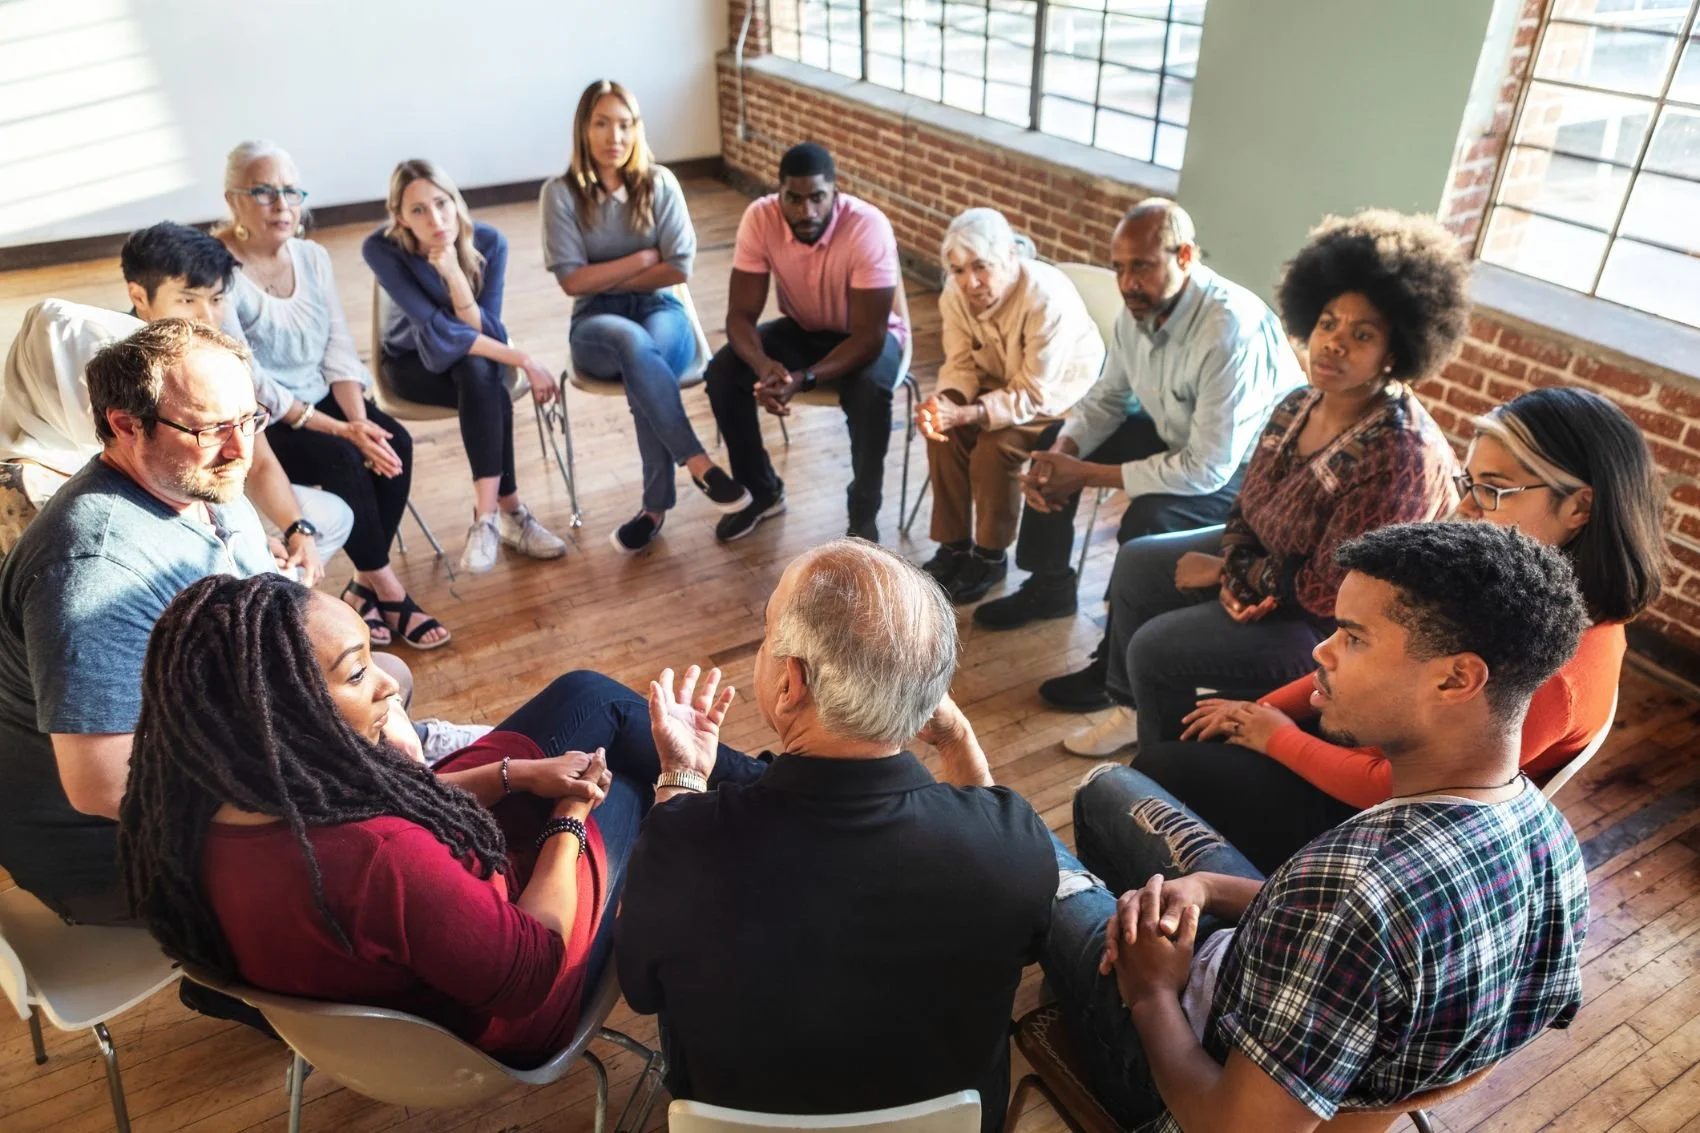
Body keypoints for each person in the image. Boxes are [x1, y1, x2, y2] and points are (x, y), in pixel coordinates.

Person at [1043, 522, 1590, 1131]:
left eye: (1353, 638)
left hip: (1191, 1073)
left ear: (1455, 678)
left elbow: (1234, 1128)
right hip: (1325, 1032)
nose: (1321, 651)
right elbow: (1349, 939)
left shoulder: (1350, 887)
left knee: (1029, 854)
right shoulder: (1553, 840)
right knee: (1108, 788)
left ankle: (1092, 1021)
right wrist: (1210, 886)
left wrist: (1150, 993)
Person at [617, 539, 1055, 1130]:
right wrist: (958, 740)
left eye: (767, 632)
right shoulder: (1011, 845)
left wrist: (682, 779)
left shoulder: (686, 843)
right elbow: (994, 826)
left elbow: (641, 989)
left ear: (790, 683)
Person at [119, 573, 635, 1068]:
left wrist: (513, 775)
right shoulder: (380, 860)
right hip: (503, 1020)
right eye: (358, 672)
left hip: (405, 990)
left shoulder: (202, 813)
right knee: (628, 771)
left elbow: (393, 806)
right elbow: (533, 972)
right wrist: (572, 814)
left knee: (584, 697)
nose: (391, 683)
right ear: (279, 714)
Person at [1138, 386, 1665, 871]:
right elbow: (1348, 653)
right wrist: (1268, 710)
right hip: (1362, 735)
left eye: (1494, 491)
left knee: (1160, 771)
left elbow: (1397, 789)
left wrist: (1274, 737)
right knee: (1191, 729)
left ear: (1579, 506)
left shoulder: (1556, 675)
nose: (1465, 507)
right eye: (1469, 483)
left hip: (1374, 820)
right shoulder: (1505, 582)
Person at [1062, 209, 1466, 758]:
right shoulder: (1299, 402)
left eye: (1361, 334)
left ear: (1396, 352)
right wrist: (1236, 566)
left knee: (1159, 647)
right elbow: (1247, 505)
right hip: (1269, 570)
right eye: (1327, 324)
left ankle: (1164, 768)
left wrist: (1229, 573)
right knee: (1140, 560)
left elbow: (1333, 591)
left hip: (1337, 630)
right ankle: (1136, 711)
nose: (1334, 344)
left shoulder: (1400, 454)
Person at [0, 320, 276, 923]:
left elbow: (273, 616)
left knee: (384, 680)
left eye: (249, 419)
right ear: (125, 424)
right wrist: (299, 785)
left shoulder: (197, 479)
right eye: (209, 429)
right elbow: (101, 785)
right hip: (122, 853)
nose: (239, 448)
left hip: (212, 745)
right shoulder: (91, 569)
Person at [972, 199, 1304, 636]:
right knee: (1055, 442)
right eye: (1119, 268)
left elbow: (1208, 470)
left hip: (1250, 474)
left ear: (1184, 256)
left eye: (1142, 266)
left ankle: (1117, 657)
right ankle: (1049, 585)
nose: (1127, 283)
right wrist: (1062, 454)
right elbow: (1108, 399)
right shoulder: (1140, 306)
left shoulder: (1228, 332)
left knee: (1150, 519)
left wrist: (1084, 474)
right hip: (1181, 439)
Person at [0, 222, 354, 581]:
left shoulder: (204, 357)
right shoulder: (36, 490)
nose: (207, 316)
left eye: (217, 299)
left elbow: (249, 465)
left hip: (208, 505)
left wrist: (270, 537)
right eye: (187, 300)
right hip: (182, 550)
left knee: (330, 519)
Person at [217, 140, 448, 650]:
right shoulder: (218, 269)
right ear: (234, 200)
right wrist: (345, 431)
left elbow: (338, 347)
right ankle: (389, 590)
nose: (282, 205)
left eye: (290, 191)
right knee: (346, 459)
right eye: (264, 192)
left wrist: (358, 418)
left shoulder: (312, 256)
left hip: (321, 396)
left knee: (394, 444)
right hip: (266, 416)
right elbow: (250, 377)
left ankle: (364, 586)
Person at [542, 79, 747, 553]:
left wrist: (604, 274)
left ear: (637, 130)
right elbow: (573, 283)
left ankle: (653, 511)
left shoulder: (660, 183)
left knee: (644, 357)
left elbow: (680, 267)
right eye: (602, 123)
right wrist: (640, 262)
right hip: (595, 323)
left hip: (662, 309)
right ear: (583, 129)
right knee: (634, 345)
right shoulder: (560, 194)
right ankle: (699, 463)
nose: (614, 136)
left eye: (625, 124)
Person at [366, 159, 569, 573]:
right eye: (418, 210)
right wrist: (524, 359)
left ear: (455, 201)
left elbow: (486, 334)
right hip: (408, 365)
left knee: (482, 376)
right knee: (488, 380)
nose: (435, 218)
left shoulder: (491, 242)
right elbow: (438, 331)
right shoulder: (382, 249)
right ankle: (510, 511)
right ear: (400, 217)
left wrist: (455, 275)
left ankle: (486, 521)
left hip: (470, 361)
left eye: (441, 203)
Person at [704, 143, 909, 542]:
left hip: (868, 336)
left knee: (869, 393)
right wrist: (763, 366)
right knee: (724, 372)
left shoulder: (868, 225)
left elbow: (870, 336)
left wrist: (806, 378)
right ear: (778, 193)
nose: (806, 211)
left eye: (817, 198)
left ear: (836, 192)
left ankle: (862, 518)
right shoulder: (760, 218)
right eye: (793, 199)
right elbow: (739, 316)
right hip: (803, 328)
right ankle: (762, 492)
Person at [916, 207, 1104, 604]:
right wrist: (946, 405)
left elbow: (1035, 392)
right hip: (997, 383)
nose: (970, 283)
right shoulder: (956, 293)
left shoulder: (1045, 297)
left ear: (1010, 259)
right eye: (958, 270)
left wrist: (968, 413)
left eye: (981, 267)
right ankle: (954, 546)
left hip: (1058, 395)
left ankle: (989, 555)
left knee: (995, 449)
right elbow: (960, 364)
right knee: (942, 436)